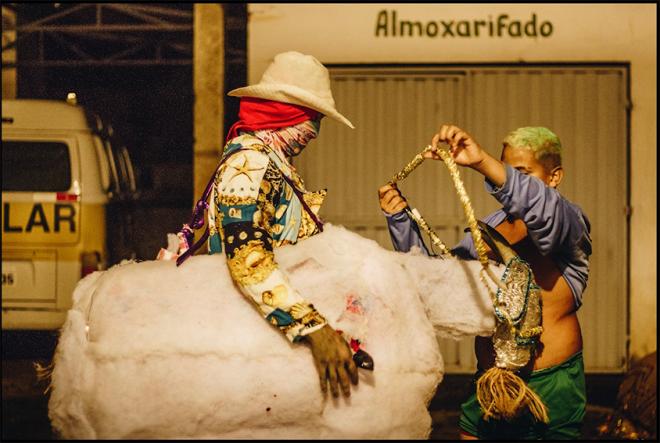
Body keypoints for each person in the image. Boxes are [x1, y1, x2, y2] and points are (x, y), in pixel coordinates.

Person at [378, 125, 592, 439]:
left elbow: (540, 208)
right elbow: (441, 283)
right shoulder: (491, 228)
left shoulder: (567, 221)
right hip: (490, 381)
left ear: (554, 176)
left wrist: (481, 162)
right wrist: (400, 220)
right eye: (506, 170)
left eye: (522, 172)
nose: (506, 179)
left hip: (551, 383)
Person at [179, 51, 364, 398]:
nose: (316, 132)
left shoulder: (272, 161)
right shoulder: (251, 163)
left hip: (262, 331)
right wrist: (313, 328)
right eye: (313, 119)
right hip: (249, 335)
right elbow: (247, 257)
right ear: (287, 115)